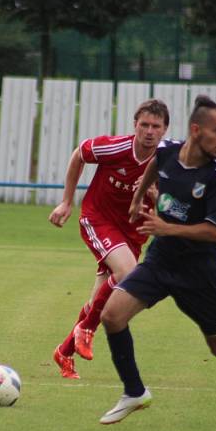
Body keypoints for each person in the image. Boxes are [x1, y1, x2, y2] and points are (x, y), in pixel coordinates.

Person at [97, 95, 216, 431]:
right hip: (161, 259)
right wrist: (139, 197)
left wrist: (167, 226)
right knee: (112, 316)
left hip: (200, 273)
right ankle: (135, 391)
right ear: (196, 130)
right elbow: (155, 166)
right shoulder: (167, 150)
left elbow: (213, 232)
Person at [48, 99, 168, 378]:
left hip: (131, 234)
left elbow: (171, 209)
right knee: (127, 272)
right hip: (98, 219)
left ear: (164, 130)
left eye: (156, 126)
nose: (149, 131)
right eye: (144, 125)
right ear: (134, 125)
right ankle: (86, 330)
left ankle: (64, 352)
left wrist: (155, 196)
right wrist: (66, 202)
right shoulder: (115, 147)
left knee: (99, 304)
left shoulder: (167, 162)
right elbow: (79, 154)